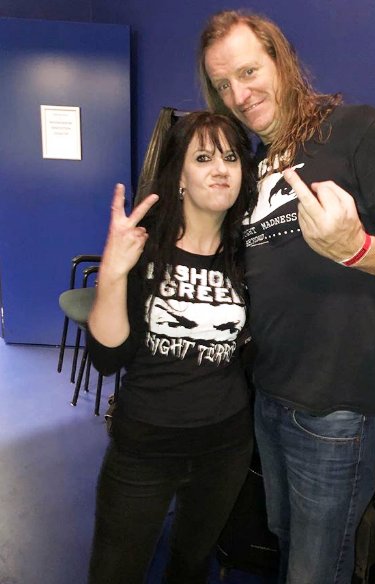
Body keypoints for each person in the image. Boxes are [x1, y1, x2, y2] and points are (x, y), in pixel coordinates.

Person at [198, 11, 375, 584]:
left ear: (281, 60)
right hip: (269, 398)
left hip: (335, 411)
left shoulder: (358, 129)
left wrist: (356, 249)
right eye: (223, 84)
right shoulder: (254, 165)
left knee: (318, 571)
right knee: (288, 546)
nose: (238, 95)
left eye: (248, 71)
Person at [86, 111, 256, 584]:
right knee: (114, 573)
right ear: (179, 176)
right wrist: (113, 273)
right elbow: (107, 358)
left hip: (225, 446)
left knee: (190, 567)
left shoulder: (248, 255)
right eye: (203, 158)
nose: (220, 169)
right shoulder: (144, 247)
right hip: (144, 447)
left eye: (230, 158)